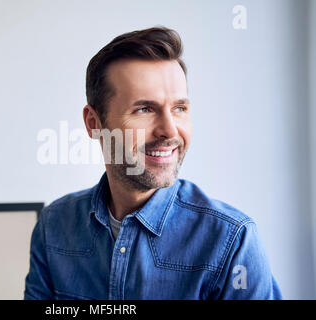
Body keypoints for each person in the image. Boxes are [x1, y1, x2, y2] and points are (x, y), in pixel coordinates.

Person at [24, 26, 282, 299]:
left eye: (179, 108)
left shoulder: (232, 241)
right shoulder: (53, 226)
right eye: (144, 109)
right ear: (94, 123)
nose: (170, 131)